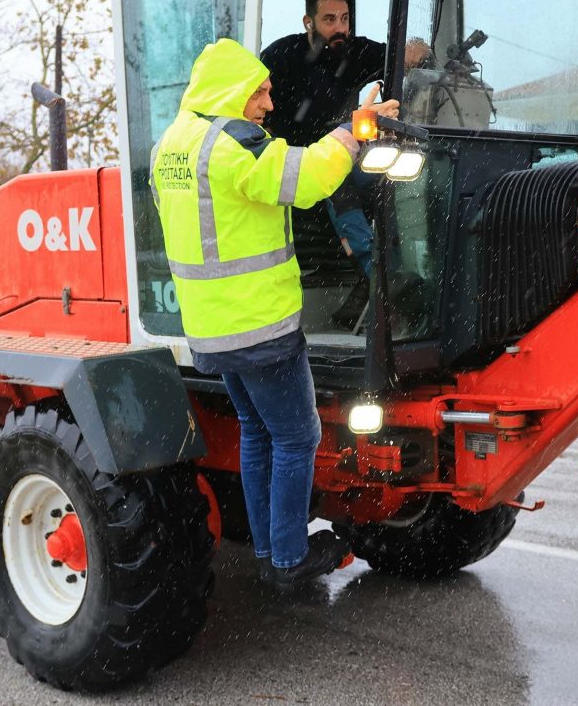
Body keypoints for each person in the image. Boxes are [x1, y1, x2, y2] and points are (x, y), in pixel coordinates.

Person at [150, 38, 398, 588]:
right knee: (295, 437)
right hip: (259, 326)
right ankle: (288, 558)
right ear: (230, 93)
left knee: (258, 432)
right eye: (258, 93)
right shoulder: (232, 142)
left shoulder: (173, 143)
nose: (267, 105)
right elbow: (306, 180)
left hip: (213, 329)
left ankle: (269, 549)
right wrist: (355, 128)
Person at [261, 0, 429, 328]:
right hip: (298, 163)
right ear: (308, 22)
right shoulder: (280, 57)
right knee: (340, 185)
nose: (340, 28)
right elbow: (256, 106)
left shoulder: (354, 51)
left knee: (391, 177)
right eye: (329, 20)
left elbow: (400, 57)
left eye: (345, 18)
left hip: (346, 154)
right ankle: (382, 279)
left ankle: (383, 274)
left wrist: (418, 50)